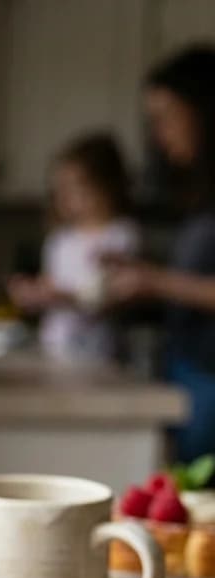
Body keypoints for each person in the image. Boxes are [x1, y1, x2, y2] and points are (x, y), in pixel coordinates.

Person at [104, 45, 215, 462]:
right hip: (188, 374)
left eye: (166, 117)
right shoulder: (201, 194)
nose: (158, 134)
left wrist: (154, 280)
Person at [9, 133, 139, 362]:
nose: (65, 198)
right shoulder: (60, 240)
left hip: (99, 353)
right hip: (54, 347)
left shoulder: (121, 235)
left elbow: (110, 298)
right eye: (60, 189)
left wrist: (62, 297)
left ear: (105, 187)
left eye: (75, 188)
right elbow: (51, 283)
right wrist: (34, 294)